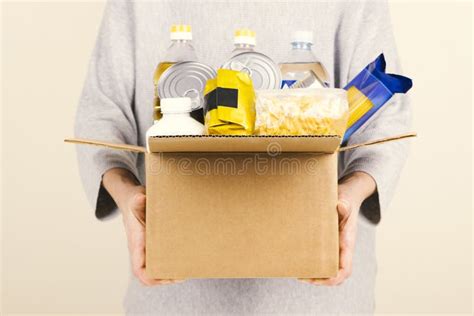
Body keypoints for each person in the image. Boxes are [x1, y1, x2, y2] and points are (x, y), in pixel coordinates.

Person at [75, 0, 410, 314]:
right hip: (174, 294)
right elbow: (101, 117)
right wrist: (127, 194)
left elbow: (385, 123)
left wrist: (351, 194)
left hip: (317, 297)